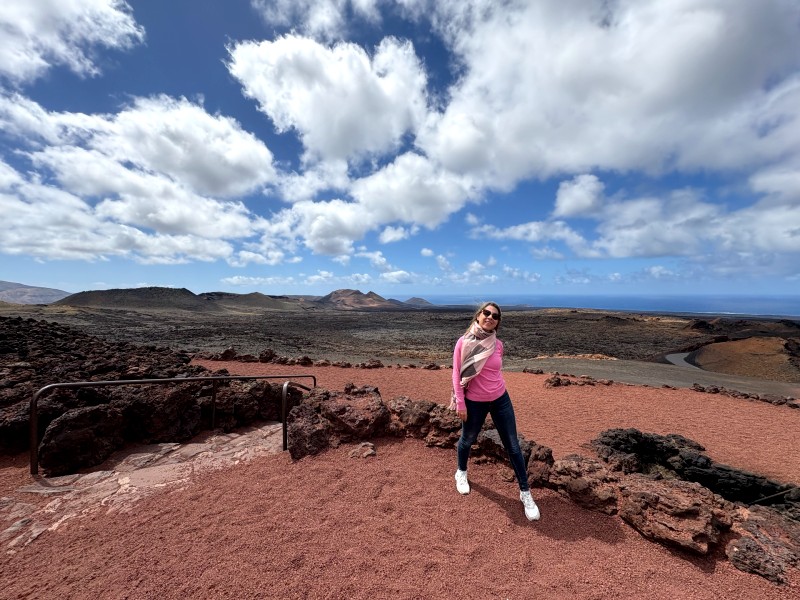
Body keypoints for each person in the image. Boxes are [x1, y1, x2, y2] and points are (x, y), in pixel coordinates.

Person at [450, 301, 541, 521]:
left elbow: (493, 372)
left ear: (498, 322)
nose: (490, 317)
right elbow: (456, 374)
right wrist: (460, 403)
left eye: (495, 316)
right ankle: (461, 472)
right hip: (474, 402)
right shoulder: (463, 342)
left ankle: (525, 493)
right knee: (468, 439)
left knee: (513, 446)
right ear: (478, 316)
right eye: (486, 313)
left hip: (501, 399)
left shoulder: (497, 344)